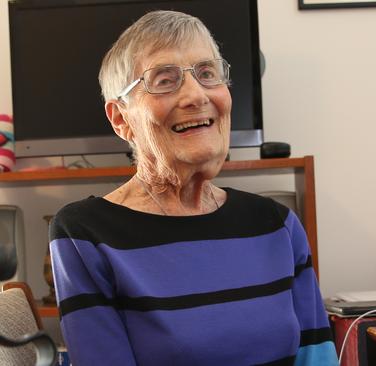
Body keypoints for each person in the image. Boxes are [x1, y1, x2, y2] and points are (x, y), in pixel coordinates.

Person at [49, 10, 338, 366]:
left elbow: (318, 359)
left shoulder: (277, 225)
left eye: (206, 73)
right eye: (165, 79)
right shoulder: (85, 235)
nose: (196, 95)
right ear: (121, 119)